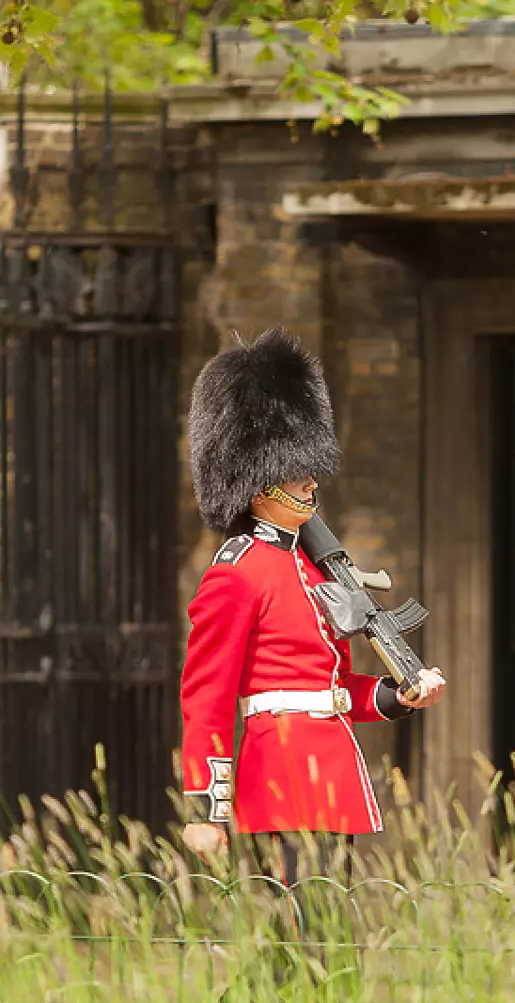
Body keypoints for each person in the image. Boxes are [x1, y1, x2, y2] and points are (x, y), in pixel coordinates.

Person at [177, 328, 446, 894]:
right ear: (256, 485)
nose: (310, 479)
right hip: (278, 776)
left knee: (324, 946)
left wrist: (399, 695)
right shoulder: (237, 574)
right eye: (294, 469)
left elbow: (333, 683)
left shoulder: (314, 568)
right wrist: (207, 808)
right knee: (299, 947)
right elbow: (207, 698)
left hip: (332, 770)